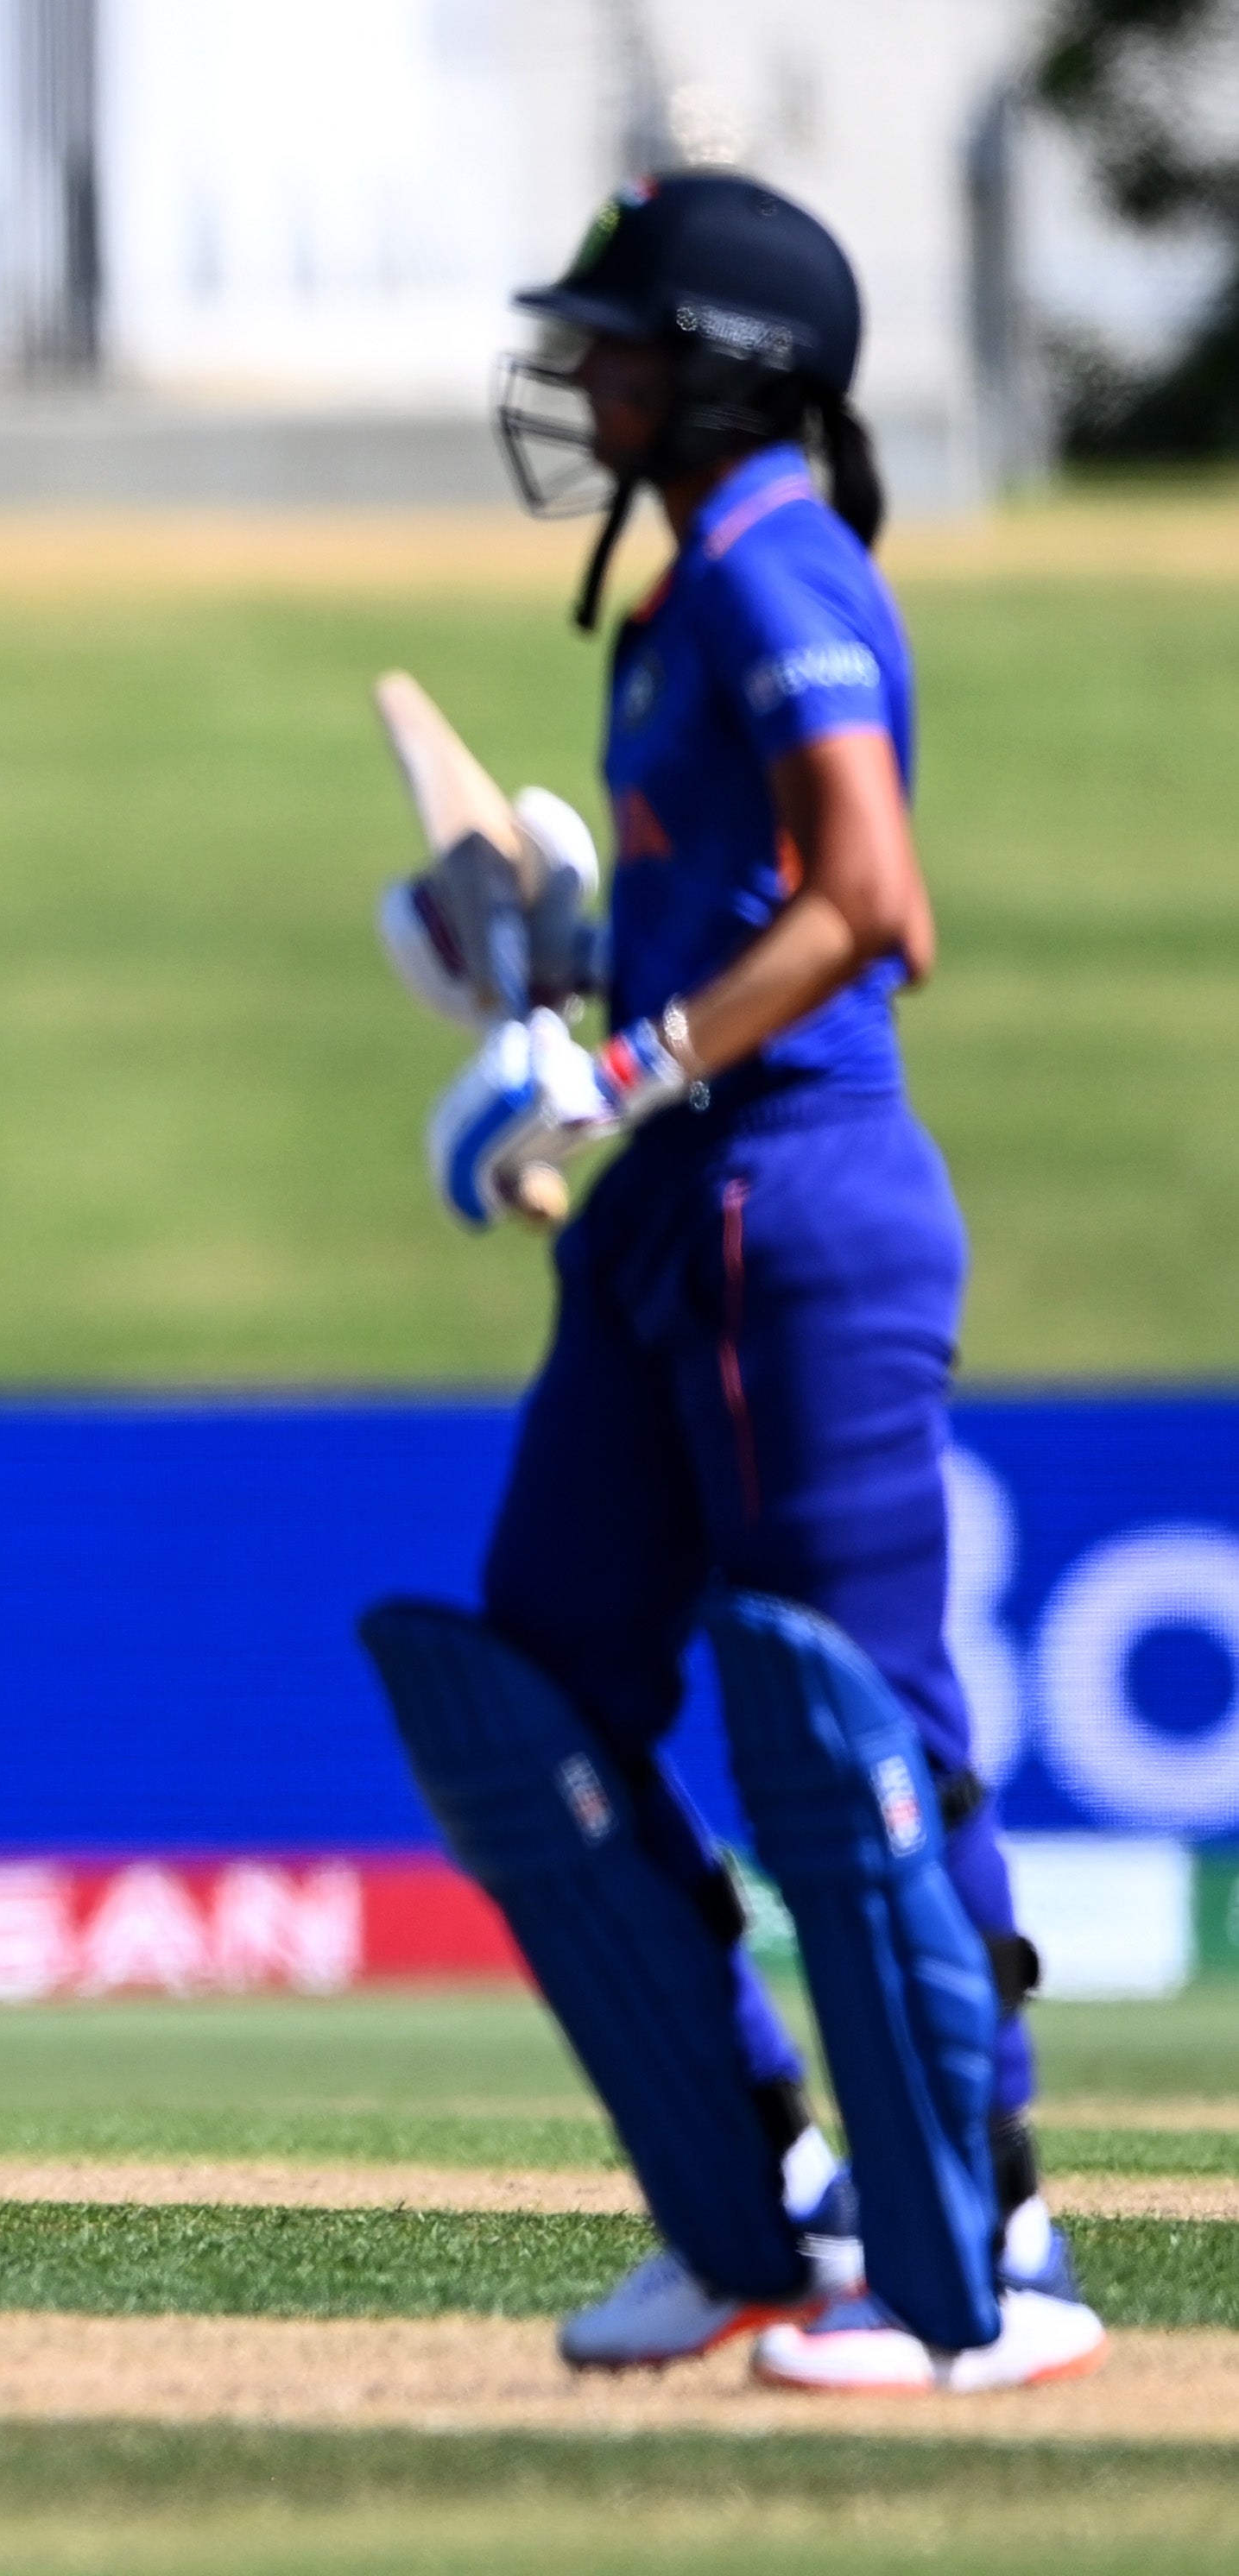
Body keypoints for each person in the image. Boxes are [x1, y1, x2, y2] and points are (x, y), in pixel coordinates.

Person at [363, 174, 1103, 2397]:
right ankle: (746, 2205)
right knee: (534, 1686)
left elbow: (876, 903)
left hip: (798, 1200)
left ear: (716, 364)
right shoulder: (688, 599)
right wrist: (547, 982)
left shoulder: (783, 570)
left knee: (845, 1708)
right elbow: (733, 920)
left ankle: (987, 2228)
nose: (579, 376)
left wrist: (615, 1060)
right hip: (671, 1206)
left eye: (615, 339)